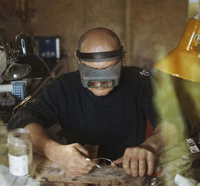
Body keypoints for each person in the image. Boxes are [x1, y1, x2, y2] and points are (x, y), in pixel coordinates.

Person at [8, 27, 163, 177]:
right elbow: (22, 118)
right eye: (92, 71)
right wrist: (52, 150)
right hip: (81, 174)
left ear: (121, 59)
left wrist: (150, 146)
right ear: (79, 61)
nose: (100, 81)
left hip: (130, 173)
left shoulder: (140, 80)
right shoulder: (64, 86)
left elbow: (174, 123)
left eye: (109, 69)